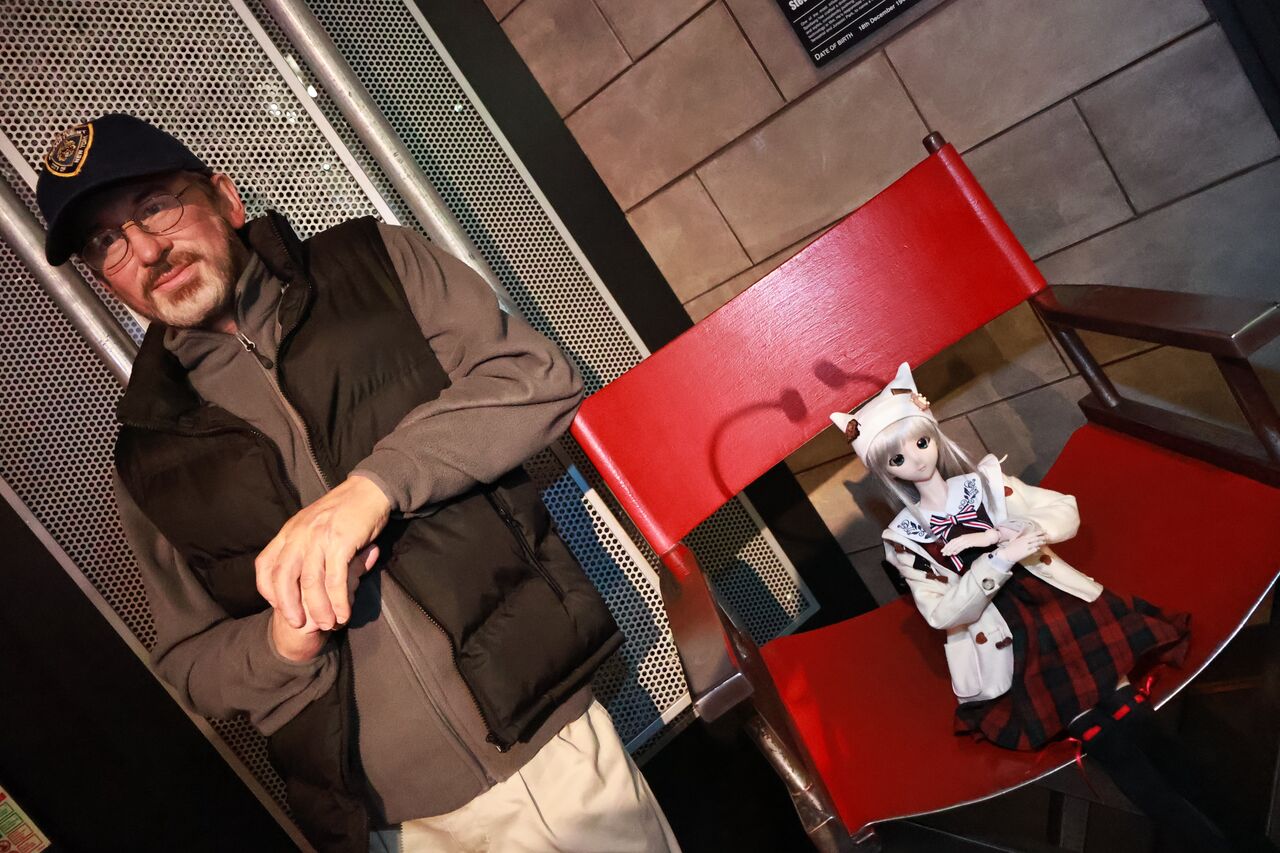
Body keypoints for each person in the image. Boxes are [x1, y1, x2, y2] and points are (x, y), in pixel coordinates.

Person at [37, 113, 680, 853]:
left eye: (155, 205)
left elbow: (536, 379)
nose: (147, 249)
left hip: (550, 751)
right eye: (106, 243)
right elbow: (189, 664)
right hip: (394, 827)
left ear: (225, 198)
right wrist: (278, 645)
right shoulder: (147, 451)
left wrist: (374, 487)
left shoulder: (375, 261)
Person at [830, 362, 1280, 853]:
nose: (917, 460)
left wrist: (1021, 530)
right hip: (1012, 643)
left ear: (934, 435)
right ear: (885, 470)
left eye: (921, 443)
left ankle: (1250, 840)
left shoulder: (986, 484)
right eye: (898, 458)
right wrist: (997, 561)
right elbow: (941, 615)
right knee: (1116, 751)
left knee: (1144, 729)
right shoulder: (904, 539)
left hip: (1064, 608)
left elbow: (1065, 510)